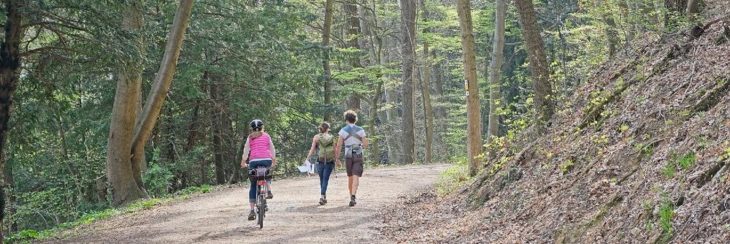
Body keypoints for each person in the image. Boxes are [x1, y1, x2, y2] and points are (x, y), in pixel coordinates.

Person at [240, 119, 277, 221]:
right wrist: (273, 159)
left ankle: (252, 210)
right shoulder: (266, 136)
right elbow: (272, 148)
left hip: (254, 161)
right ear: (262, 127)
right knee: (267, 174)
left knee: (253, 184)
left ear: (251, 128)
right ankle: (269, 190)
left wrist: (243, 162)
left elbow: (246, 150)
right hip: (266, 160)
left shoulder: (250, 137)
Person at [334, 110, 367, 207]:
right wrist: (360, 143)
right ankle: (353, 196)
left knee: (350, 176)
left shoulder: (343, 130)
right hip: (358, 152)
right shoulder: (361, 130)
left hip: (348, 153)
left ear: (346, 120)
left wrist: (337, 158)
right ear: (355, 119)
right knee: (356, 175)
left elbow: (339, 145)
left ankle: (351, 197)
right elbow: (365, 144)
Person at [305, 122, 337, 205]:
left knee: (322, 179)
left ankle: (323, 196)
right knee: (325, 179)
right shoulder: (332, 137)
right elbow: (334, 150)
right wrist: (337, 159)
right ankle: (323, 196)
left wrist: (307, 158)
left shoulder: (316, 137)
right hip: (330, 161)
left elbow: (312, 149)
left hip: (320, 160)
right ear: (328, 129)